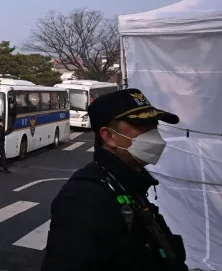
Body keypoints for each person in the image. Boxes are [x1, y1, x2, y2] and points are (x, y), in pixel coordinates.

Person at [41, 88, 188, 271]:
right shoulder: (83, 197)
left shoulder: (130, 185)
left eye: (154, 126)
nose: (154, 136)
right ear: (109, 136)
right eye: (142, 127)